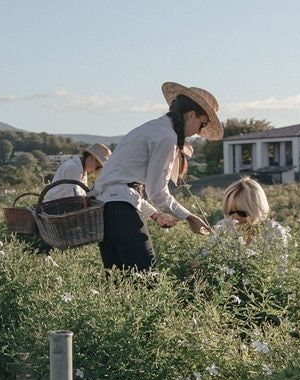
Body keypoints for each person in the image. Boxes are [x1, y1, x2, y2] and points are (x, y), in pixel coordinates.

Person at [90, 82, 222, 272]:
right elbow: (157, 192)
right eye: (202, 124)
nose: (199, 132)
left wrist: (154, 214)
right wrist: (189, 216)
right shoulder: (166, 137)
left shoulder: (151, 129)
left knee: (117, 277)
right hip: (119, 210)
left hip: (105, 209)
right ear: (191, 114)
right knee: (145, 273)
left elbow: (119, 187)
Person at [211, 177, 290, 252]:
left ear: (256, 209)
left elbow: (280, 265)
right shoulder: (222, 228)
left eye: (242, 213)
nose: (235, 217)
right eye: (231, 212)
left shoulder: (274, 232)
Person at [43, 143, 112, 202]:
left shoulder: (82, 170)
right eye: (97, 166)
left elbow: (83, 194)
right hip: (55, 207)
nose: (95, 169)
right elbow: (73, 196)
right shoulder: (73, 167)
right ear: (91, 158)